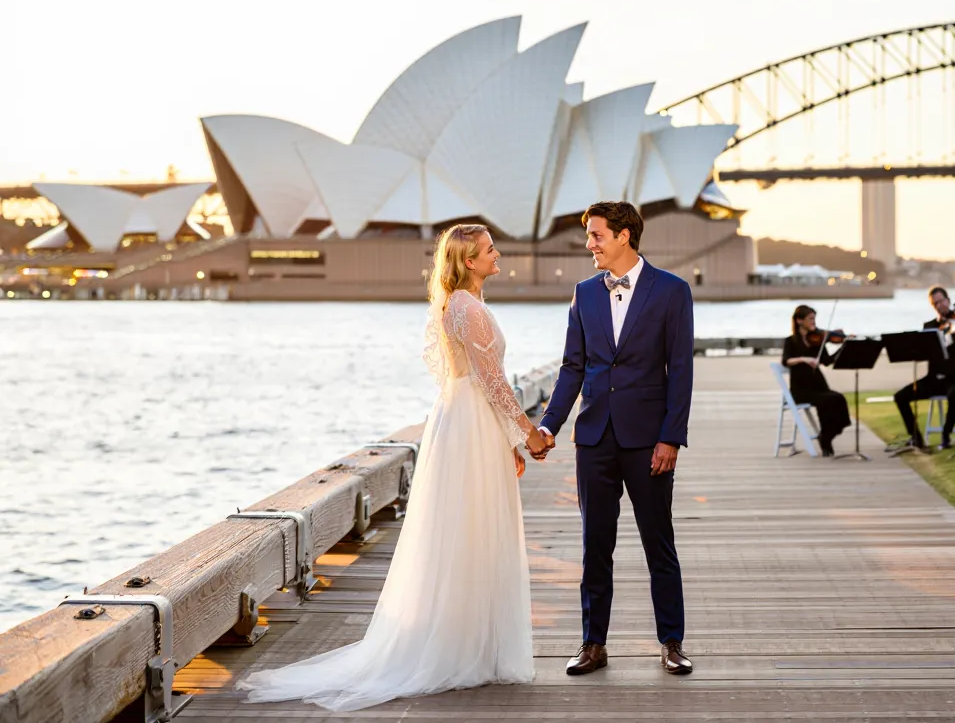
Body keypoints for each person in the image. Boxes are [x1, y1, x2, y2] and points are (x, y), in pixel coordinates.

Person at [237, 224, 551, 711]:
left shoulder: (450, 305)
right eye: (490, 250)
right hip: (473, 424)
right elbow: (493, 384)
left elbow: (459, 376)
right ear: (469, 260)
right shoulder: (471, 308)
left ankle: (462, 638)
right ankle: (467, 648)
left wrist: (505, 440)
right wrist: (526, 435)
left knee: (459, 532)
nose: (498, 255)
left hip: (459, 422)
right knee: (475, 530)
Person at [536, 201, 695, 677]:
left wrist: (671, 438)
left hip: (649, 440)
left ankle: (671, 642)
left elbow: (681, 372)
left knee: (658, 543)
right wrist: (548, 425)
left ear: (625, 235)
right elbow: (573, 368)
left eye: (597, 235)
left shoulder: (672, 291)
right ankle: (592, 643)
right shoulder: (583, 293)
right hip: (595, 439)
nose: (590, 245)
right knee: (594, 545)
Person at [892, 286, 955, 450]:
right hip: (935, 379)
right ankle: (916, 438)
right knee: (900, 396)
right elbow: (924, 352)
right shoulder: (929, 326)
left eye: (941, 301)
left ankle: (946, 435)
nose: (939, 306)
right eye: (935, 303)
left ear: (948, 301)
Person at [780, 305, 851, 456]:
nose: (814, 322)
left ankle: (828, 435)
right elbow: (786, 361)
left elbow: (827, 361)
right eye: (810, 319)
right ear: (799, 321)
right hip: (801, 389)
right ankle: (826, 440)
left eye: (814, 319)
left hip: (819, 385)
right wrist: (803, 359)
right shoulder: (790, 341)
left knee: (839, 399)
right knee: (826, 400)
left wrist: (844, 346)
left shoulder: (818, 341)